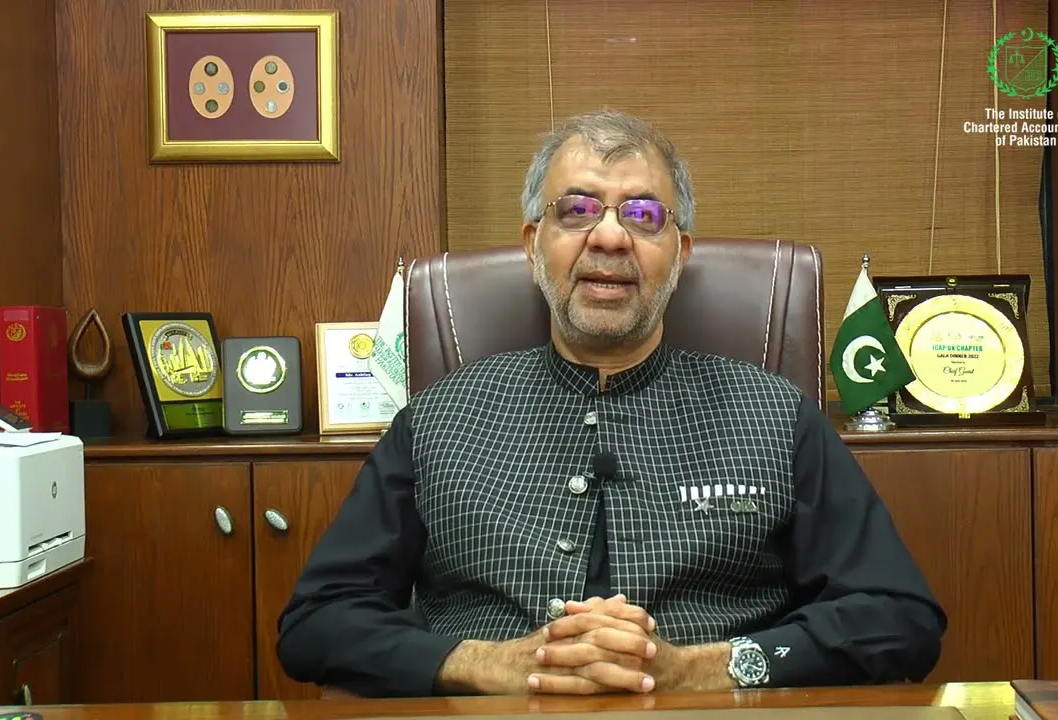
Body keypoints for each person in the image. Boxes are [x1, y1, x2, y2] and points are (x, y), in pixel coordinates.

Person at [275, 109, 946, 698]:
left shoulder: (776, 415)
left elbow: (900, 618)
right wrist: (485, 665)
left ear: (679, 256)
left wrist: (706, 668)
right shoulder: (435, 422)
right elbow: (317, 621)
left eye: (644, 215)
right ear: (532, 245)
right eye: (577, 210)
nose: (610, 236)